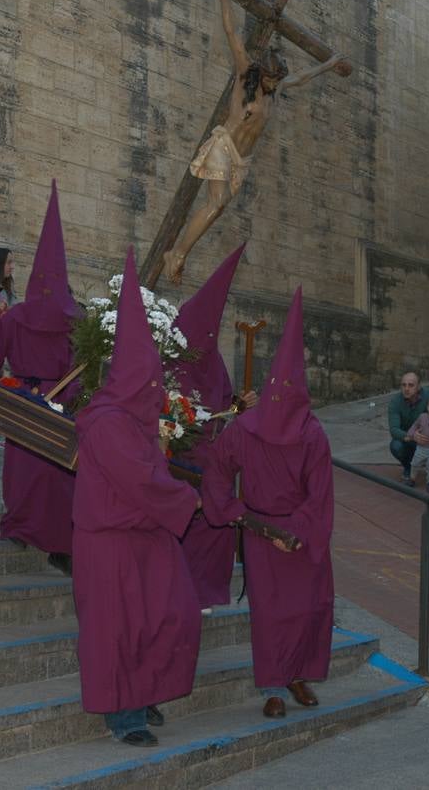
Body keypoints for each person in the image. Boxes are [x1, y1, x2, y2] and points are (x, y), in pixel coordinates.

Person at [72, 248, 202, 747]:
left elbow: (149, 476)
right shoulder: (108, 423)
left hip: (146, 534)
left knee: (172, 613)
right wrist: (185, 500)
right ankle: (123, 714)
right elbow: (140, 481)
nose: (156, 390)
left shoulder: (136, 421)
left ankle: (145, 690)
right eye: (150, 381)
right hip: (110, 541)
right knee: (117, 628)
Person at [160, 0, 345, 283]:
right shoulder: (247, 72)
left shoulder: (276, 88)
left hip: (241, 161)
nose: (274, 84)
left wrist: (329, 64)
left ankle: (180, 251)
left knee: (217, 209)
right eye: (271, 78)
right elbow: (230, 29)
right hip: (224, 144)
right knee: (215, 204)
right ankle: (176, 253)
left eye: (277, 80)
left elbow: (302, 78)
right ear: (263, 73)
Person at [202, 286, 334, 719]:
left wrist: (295, 532)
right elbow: (218, 470)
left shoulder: (313, 434)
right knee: (269, 613)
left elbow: (321, 492)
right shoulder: (244, 429)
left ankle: (297, 674)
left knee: (307, 608)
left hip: (300, 534)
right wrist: (236, 513)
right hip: (261, 534)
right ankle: (274, 686)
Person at [0, 185, 79, 573]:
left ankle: (59, 544)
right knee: (24, 472)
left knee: (58, 477)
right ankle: (21, 528)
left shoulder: (74, 324)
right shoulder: (15, 318)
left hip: (55, 404)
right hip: (25, 400)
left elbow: (83, 368)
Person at [170, 244, 250, 612]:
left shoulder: (213, 359)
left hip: (211, 458)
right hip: (176, 457)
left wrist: (241, 407)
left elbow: (226, 402)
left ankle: (204, 590)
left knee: (217, 520)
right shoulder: (171, 356)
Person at [387, 372, 429, 486]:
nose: (406, 388)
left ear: (419, 386)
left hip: (428, 439)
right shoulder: (395, 402)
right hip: (409, 439)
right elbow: (394, 429)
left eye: (411, 385)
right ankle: (409, 467)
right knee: (395, 445)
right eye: (403, 385)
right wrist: (412, 436)